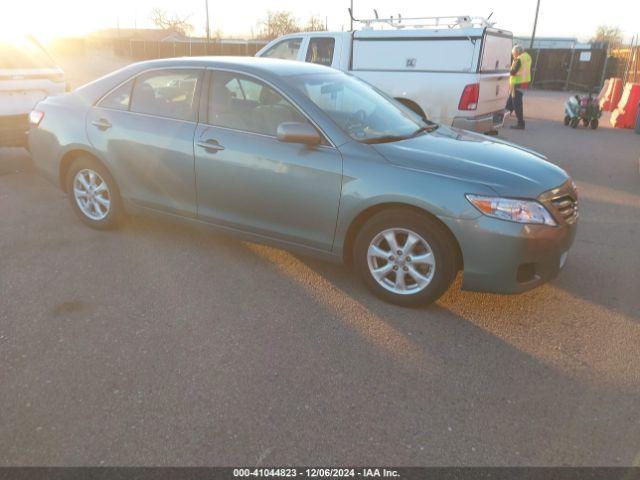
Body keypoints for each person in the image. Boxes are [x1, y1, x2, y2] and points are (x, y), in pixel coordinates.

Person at [506, 45, 532, 130]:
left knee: (516, 104)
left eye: (513, 54)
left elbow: (513, 72)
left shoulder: (519, 59)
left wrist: (506, 70)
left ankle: (520, 123)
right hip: (524, 82)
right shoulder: (527, 57)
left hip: (517, 83)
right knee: (511, 102)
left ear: (517, 52)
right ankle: (502, 118)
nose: (513, 55)